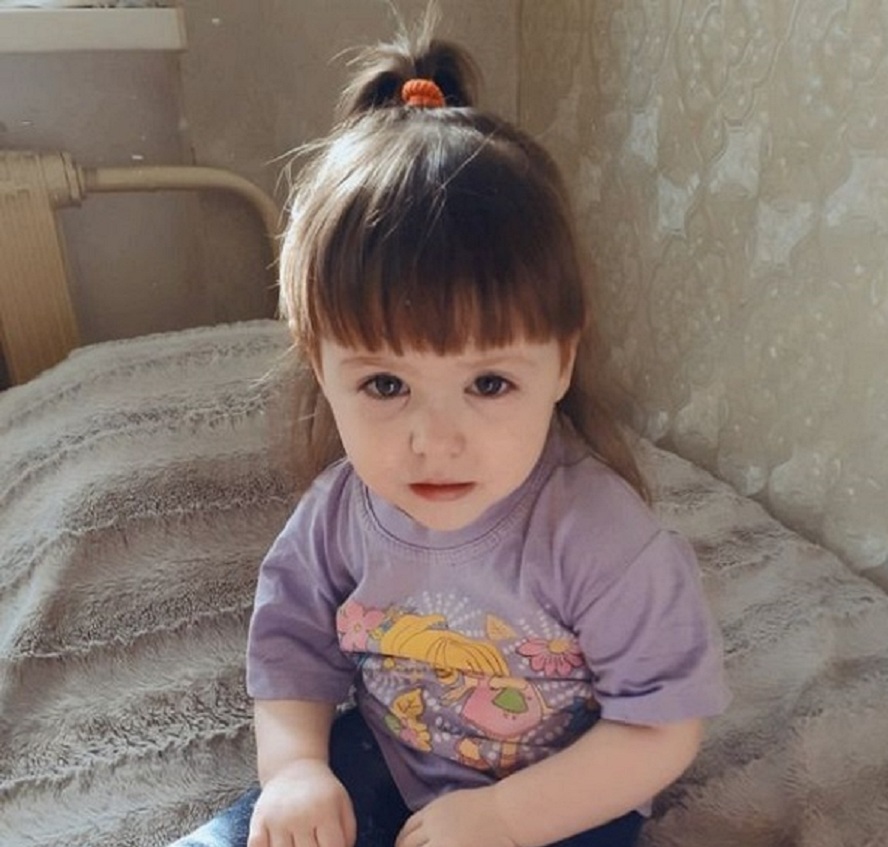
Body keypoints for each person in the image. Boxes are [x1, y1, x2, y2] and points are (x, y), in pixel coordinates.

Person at [171, 19, 729, 847]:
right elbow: (290, 654)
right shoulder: (335, 517)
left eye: (489, 383)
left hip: (562, 795)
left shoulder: (603, 537)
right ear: (320, 368)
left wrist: (503, 817)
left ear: (562, 360)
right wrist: (294, 770)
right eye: (385, 384)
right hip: (388, 759)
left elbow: (660, 726)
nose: (435, 440)